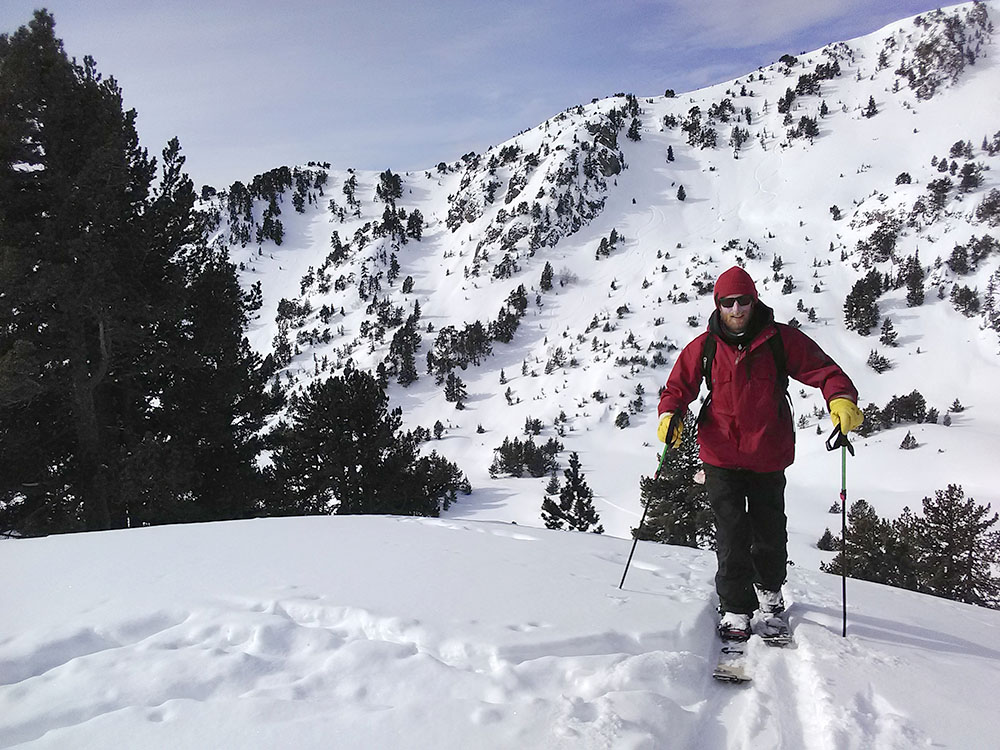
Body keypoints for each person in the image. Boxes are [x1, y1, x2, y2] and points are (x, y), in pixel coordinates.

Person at [656, 266, 863, 641]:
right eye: (727, 302)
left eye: (743, 301)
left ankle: (769, 596)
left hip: (768, 454)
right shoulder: (704, 348)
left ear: (754, 300)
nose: (736, 309)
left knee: (769, 533)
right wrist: (670, 415)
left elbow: (825, 371)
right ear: (718, 305)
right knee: (732, 533)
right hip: (720, 456)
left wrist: (841, 399)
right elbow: (676, 388)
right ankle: (735, 607)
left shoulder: (780, 341)